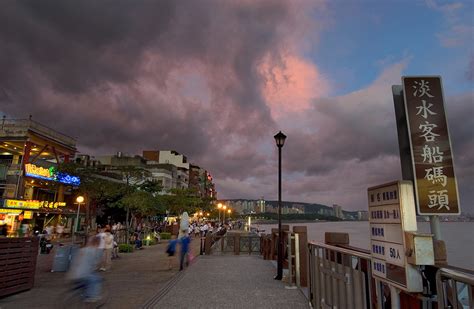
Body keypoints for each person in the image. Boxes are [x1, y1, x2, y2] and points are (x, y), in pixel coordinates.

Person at [67, 236, 103, 302]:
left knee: (87, 280)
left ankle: (85, 293)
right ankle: (92, 296)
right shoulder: (94, 251)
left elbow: (76, 261)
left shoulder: (83, 250)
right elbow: (94, 264)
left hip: (74, 273)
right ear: (97, 243)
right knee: (97, 279)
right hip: (84, 274)